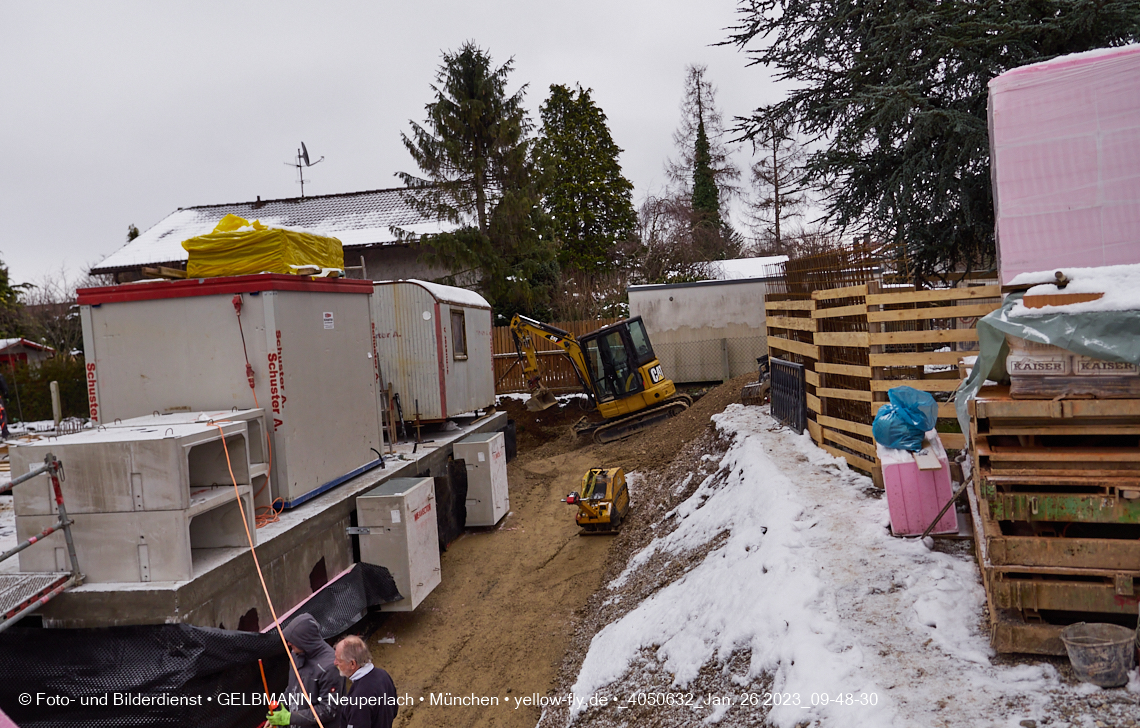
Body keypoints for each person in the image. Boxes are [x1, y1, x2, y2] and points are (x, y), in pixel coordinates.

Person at [265, 614, 344, 727]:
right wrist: (279, 708)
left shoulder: (330, 668)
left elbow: (328, 710)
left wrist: (291, 718)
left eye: (293, 640)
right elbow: (292, 688)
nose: (288, 644)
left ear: (305, 641)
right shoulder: (296, 654)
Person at [333, 635, 397, 728]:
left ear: (352, 664)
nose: (335, 663)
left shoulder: (358, 699)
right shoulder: (383, 675)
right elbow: (394, 710)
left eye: (339, 660)